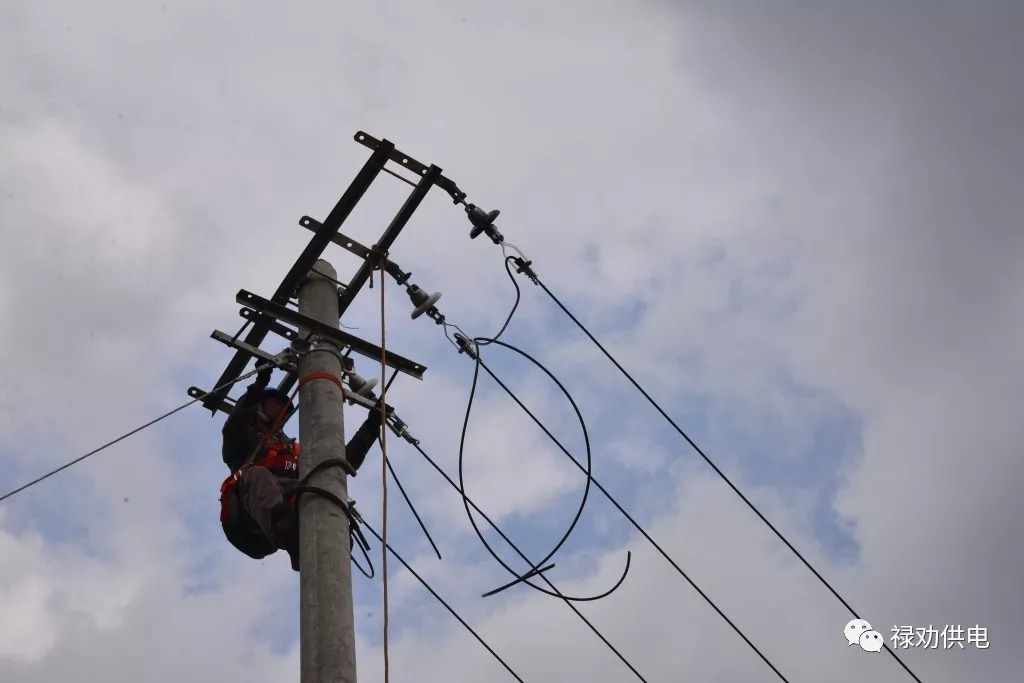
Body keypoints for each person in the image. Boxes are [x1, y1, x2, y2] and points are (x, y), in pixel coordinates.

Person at [219, 357, 384, 571]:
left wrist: (371, 426)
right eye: (273, 404)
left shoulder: (296, 452)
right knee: (257, 474)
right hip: (248, 523)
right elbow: (236, 423)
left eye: (282, 407)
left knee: (323, 481)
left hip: (284, 515)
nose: (278, 409)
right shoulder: (243, 441)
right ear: (260, 408)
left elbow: (341, 462)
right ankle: (288, 532)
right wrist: (259, 384)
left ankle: (322, 535)